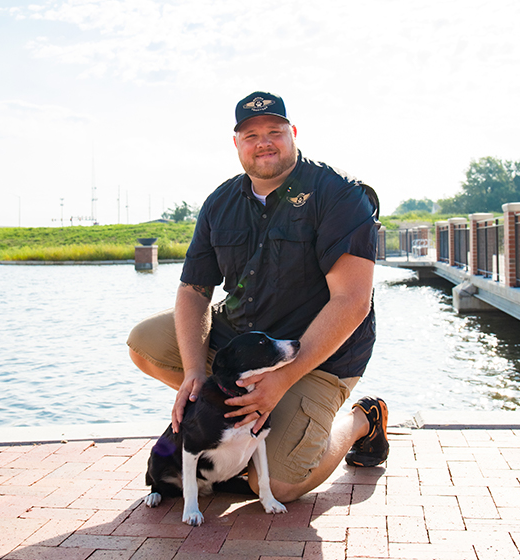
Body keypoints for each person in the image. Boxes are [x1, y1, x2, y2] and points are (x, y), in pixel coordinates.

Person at [127, 91, 388, 503]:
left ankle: (359, 420)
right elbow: (194, 290)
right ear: (236, 144)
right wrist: (195, 371)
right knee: (145, 343)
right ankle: (248, 422)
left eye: (274, 131)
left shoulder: (339, 195)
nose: (263, 142)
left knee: (281, 485)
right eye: (250, 135)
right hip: (241, 341)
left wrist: (282, 379)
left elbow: (352, 301)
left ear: (293, 134)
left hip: (320, 355)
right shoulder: (220, 202)